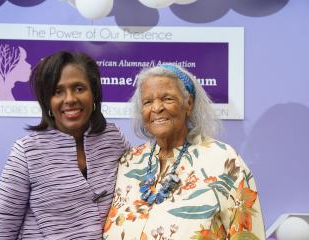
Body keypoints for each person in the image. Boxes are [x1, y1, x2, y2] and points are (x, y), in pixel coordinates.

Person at [103, 64, 265, 239]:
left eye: (167, 98)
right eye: (147, 102)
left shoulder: (224, 161)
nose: (156, 108)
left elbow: (247, 234)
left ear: (189, 103)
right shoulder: (129, 161)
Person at [0, 51, 129, 240]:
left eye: (79, 88)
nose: (70, 99)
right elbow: (2, 232)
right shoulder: (26, 152)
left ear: (94, 93)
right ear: (47, 100)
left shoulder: (115, 139)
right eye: (58, 91)